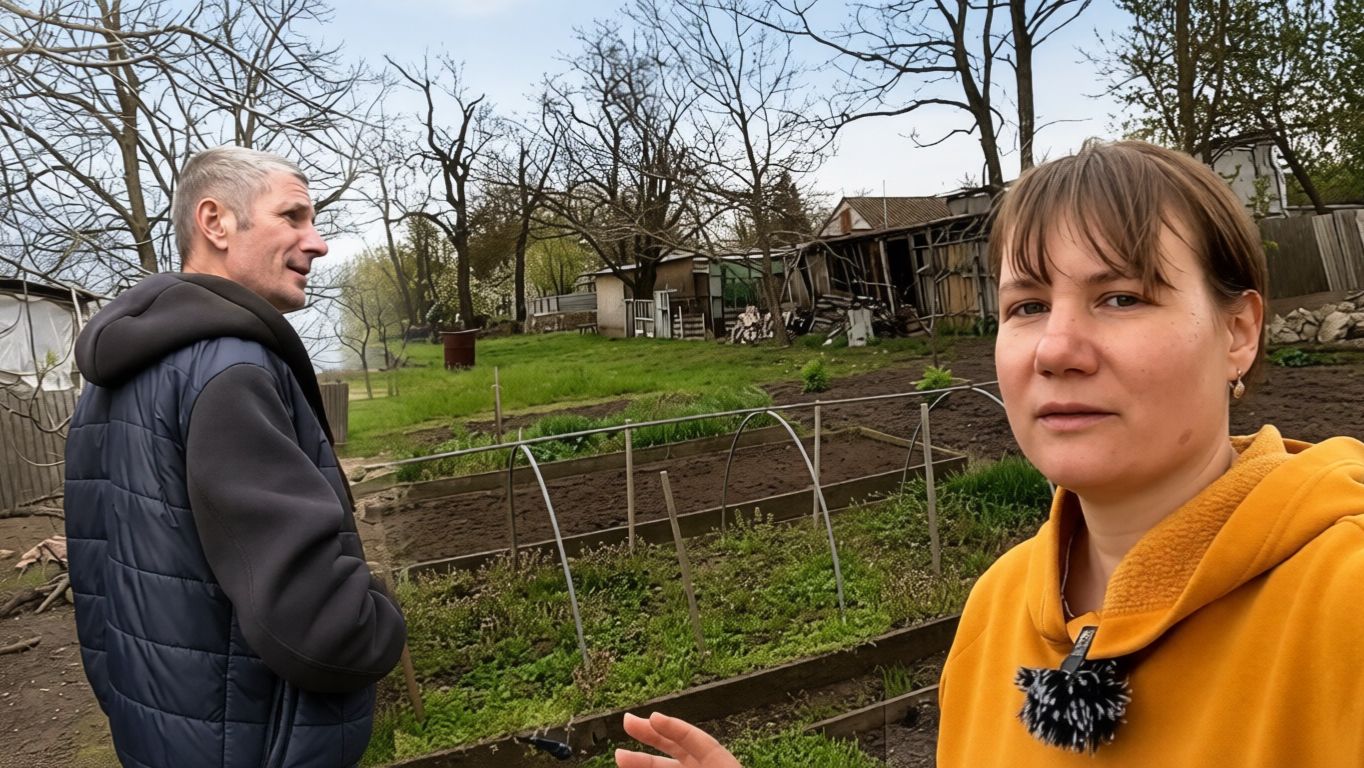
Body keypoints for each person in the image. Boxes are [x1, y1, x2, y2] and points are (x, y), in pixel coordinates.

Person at [613, 140, 1364, 768]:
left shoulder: (1342, 605)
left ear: (1238, 332)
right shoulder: (997, 609)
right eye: (1027, 307)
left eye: (1121, 297)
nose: (1057, 349)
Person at [65, 146, 407, 768]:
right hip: (251, 740)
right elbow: (319, 625)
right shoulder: (231, 368)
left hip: (162, 725)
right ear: (216, 222)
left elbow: (101, 579)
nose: (319, 242)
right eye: (294, 216)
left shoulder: (117, 374)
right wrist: (378, 619)